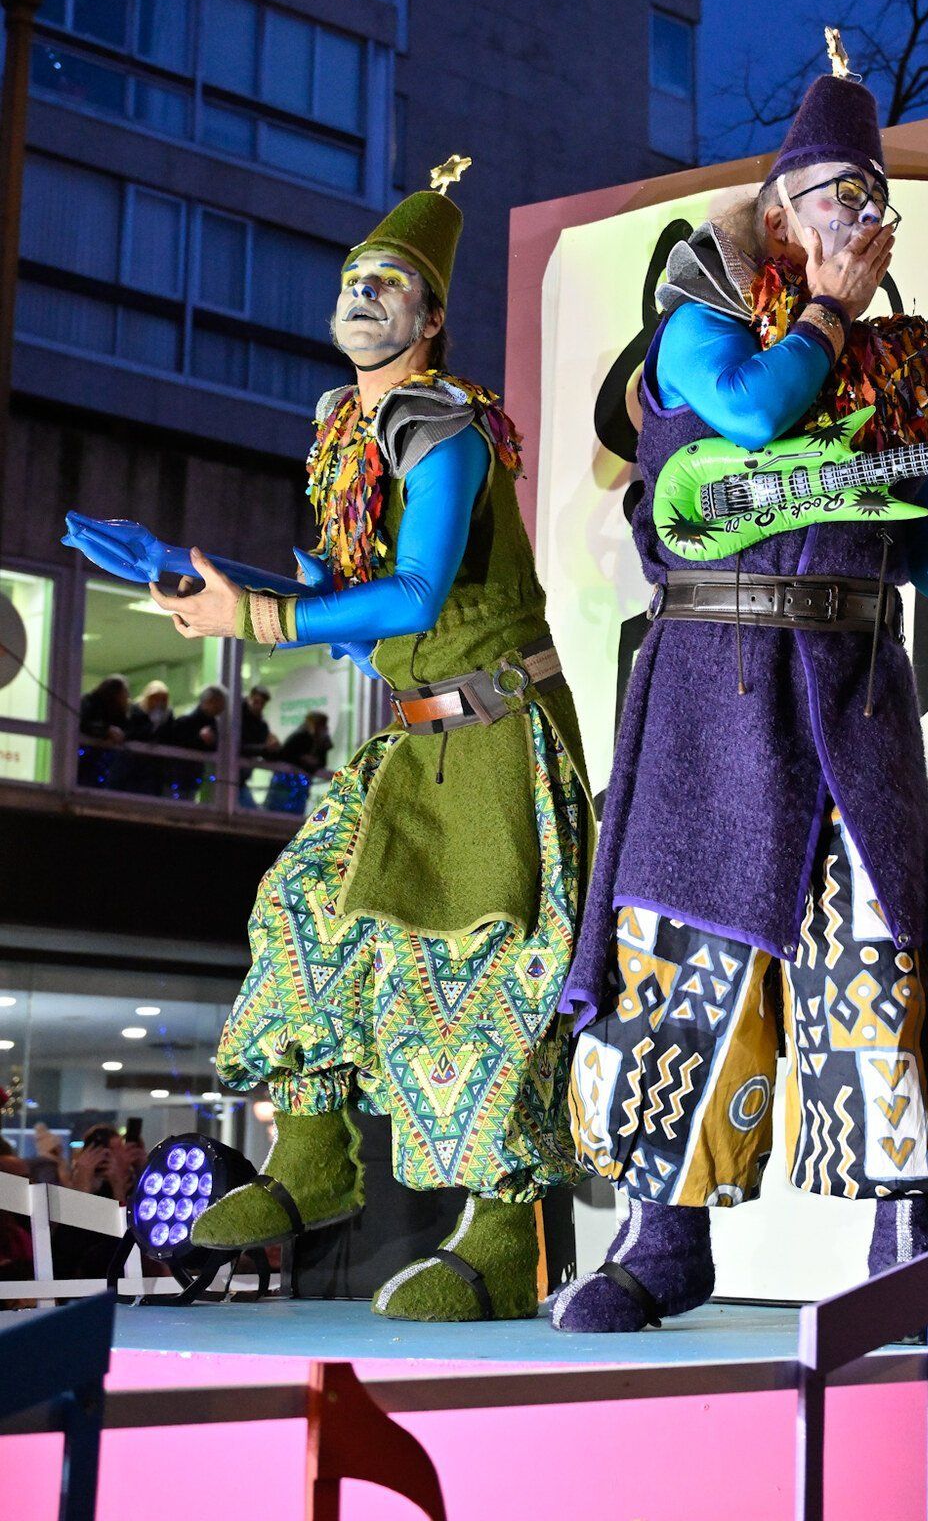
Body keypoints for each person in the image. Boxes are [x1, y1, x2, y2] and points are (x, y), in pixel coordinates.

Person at [553, 36, 928, 1333]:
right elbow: (754, 417)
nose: (861, 217)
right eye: (835, 191)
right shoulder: (702, 317)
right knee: (687, 962)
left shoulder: (898, 372)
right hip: (714, 688)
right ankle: (662, 1243)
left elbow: (915, 558)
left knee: (878, 962)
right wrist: (823, 309)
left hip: (849, 692)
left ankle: (914, 1251)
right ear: (776, 211)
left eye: (872, 197)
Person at [147, 159, 593, 1323]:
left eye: (390, 280)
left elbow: (409, 595)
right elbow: (375, 630)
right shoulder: (348, 432)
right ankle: (310, 1162)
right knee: (302, 911)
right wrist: (244, 591)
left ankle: (502, 1234)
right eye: (353, 276)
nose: (363, 294)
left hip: (496, 738)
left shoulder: (439, 423)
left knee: (484, 975)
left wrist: (258, 616)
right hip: (412, 735)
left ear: (431, 317)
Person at [160, 686, 227, 803]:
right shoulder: (186, 721)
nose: (222, 708)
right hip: (177, 778)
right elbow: (178, 743)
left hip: (189, 779)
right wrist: (200, 739)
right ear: (209, 702)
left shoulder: (211, 724)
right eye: (219, 704)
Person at [112, 678, 173, 795]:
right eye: (155, 698)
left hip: (154, 768)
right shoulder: (135, 710)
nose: (159, 703)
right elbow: (130, 733)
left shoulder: (167, 715)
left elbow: (170, 737)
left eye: (162, 699)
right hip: (132, 762)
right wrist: (151, 725)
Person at [265, 710, 334, 814]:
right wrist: (303, 759)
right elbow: (285, 754)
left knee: (294, 812)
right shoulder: (300, 736)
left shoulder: (320, 742)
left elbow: (321, 763)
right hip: (287, 782)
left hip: (300, 785)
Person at [76, 674, 130, 787]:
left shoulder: (120, 714)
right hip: (83, 763)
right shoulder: (89, 703)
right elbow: (83, 724)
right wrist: (106, 731)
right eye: (124, 692)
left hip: (105, 767)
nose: (127, 697)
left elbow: (129, 730)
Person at [238, 684, 279, 807]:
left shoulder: (261, 725)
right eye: (256, 702)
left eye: (262, 704)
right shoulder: (237, 717)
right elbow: (238, 747)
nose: (259, 706)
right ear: (250, 698)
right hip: (231, 777)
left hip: (239, 779)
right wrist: (265, 749)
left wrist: (272, 749)